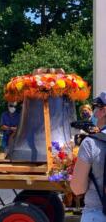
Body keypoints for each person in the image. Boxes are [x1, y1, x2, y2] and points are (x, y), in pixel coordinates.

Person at [70, 91, 106, 222]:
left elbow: (78, 188)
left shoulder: (91, 143)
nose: (94, 113)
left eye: (96, 108)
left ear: (103, 111)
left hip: (97, 214)